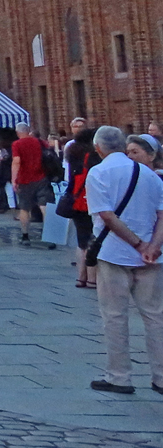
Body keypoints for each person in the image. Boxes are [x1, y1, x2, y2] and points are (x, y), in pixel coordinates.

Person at [84, 127, 163, 395]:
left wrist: (137, 244)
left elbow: (106, 215)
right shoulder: (149, 175)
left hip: (114, 252)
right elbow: (162, 214)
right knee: (155, 316)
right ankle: (161, 376)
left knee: (115, 315)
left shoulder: (99, 172)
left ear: (98, 149)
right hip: (151, 256)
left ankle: (119, 376)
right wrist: (152, 246)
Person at [64, 129, 100, 288]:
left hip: (76, 200)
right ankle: (93, 279)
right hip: (90, 201)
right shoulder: (92, 156)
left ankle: (81, 277)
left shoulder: (72, 153)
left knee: (81, 242)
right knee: (93, 240)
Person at [11, 123, 48, 245]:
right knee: (44, 206)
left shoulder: (17, 144)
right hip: (41, 177)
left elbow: (17, 161)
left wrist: (13, 179)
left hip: (25, 179)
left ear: (17, 132)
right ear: (28, 131)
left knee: (25, 208)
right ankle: (50, 235)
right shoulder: (39, 142)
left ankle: (25, 235)